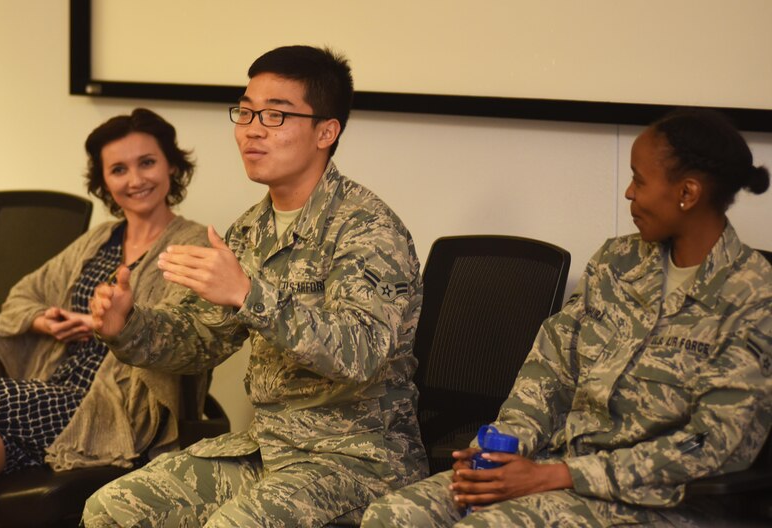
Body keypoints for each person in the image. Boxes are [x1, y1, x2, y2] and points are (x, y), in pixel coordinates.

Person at [361, 108, 772, 527]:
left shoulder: (753, 294)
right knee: (393, 516)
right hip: (555, 467)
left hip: (661, 503)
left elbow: (712, 444)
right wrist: (502, 451)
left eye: (640, 180)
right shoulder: (617, 262)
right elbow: (549, 370)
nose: (629, 192)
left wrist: (557, 476)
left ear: (687, 193)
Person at [82, 45, 427, 527]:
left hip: (355, 459)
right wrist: (127, 325)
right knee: (111, 509)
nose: (252, 130)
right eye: (245, 112)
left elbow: (362, 353)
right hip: (269, 449)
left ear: (326, 132)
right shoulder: (249, 231)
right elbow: (200, 339)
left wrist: (250, 295)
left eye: (275, 115)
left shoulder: (367, 229)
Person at [0, 108, 209, 528]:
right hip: (56, 393)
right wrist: (46, 320)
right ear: (104, 182)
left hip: (114, 410)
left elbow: (183, 333)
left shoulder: (193, 245)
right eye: (118, 169)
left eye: (147, 162)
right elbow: (21, 297)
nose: (135, 179)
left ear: (171, 165)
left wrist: (110, 324)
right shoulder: (99, 239)